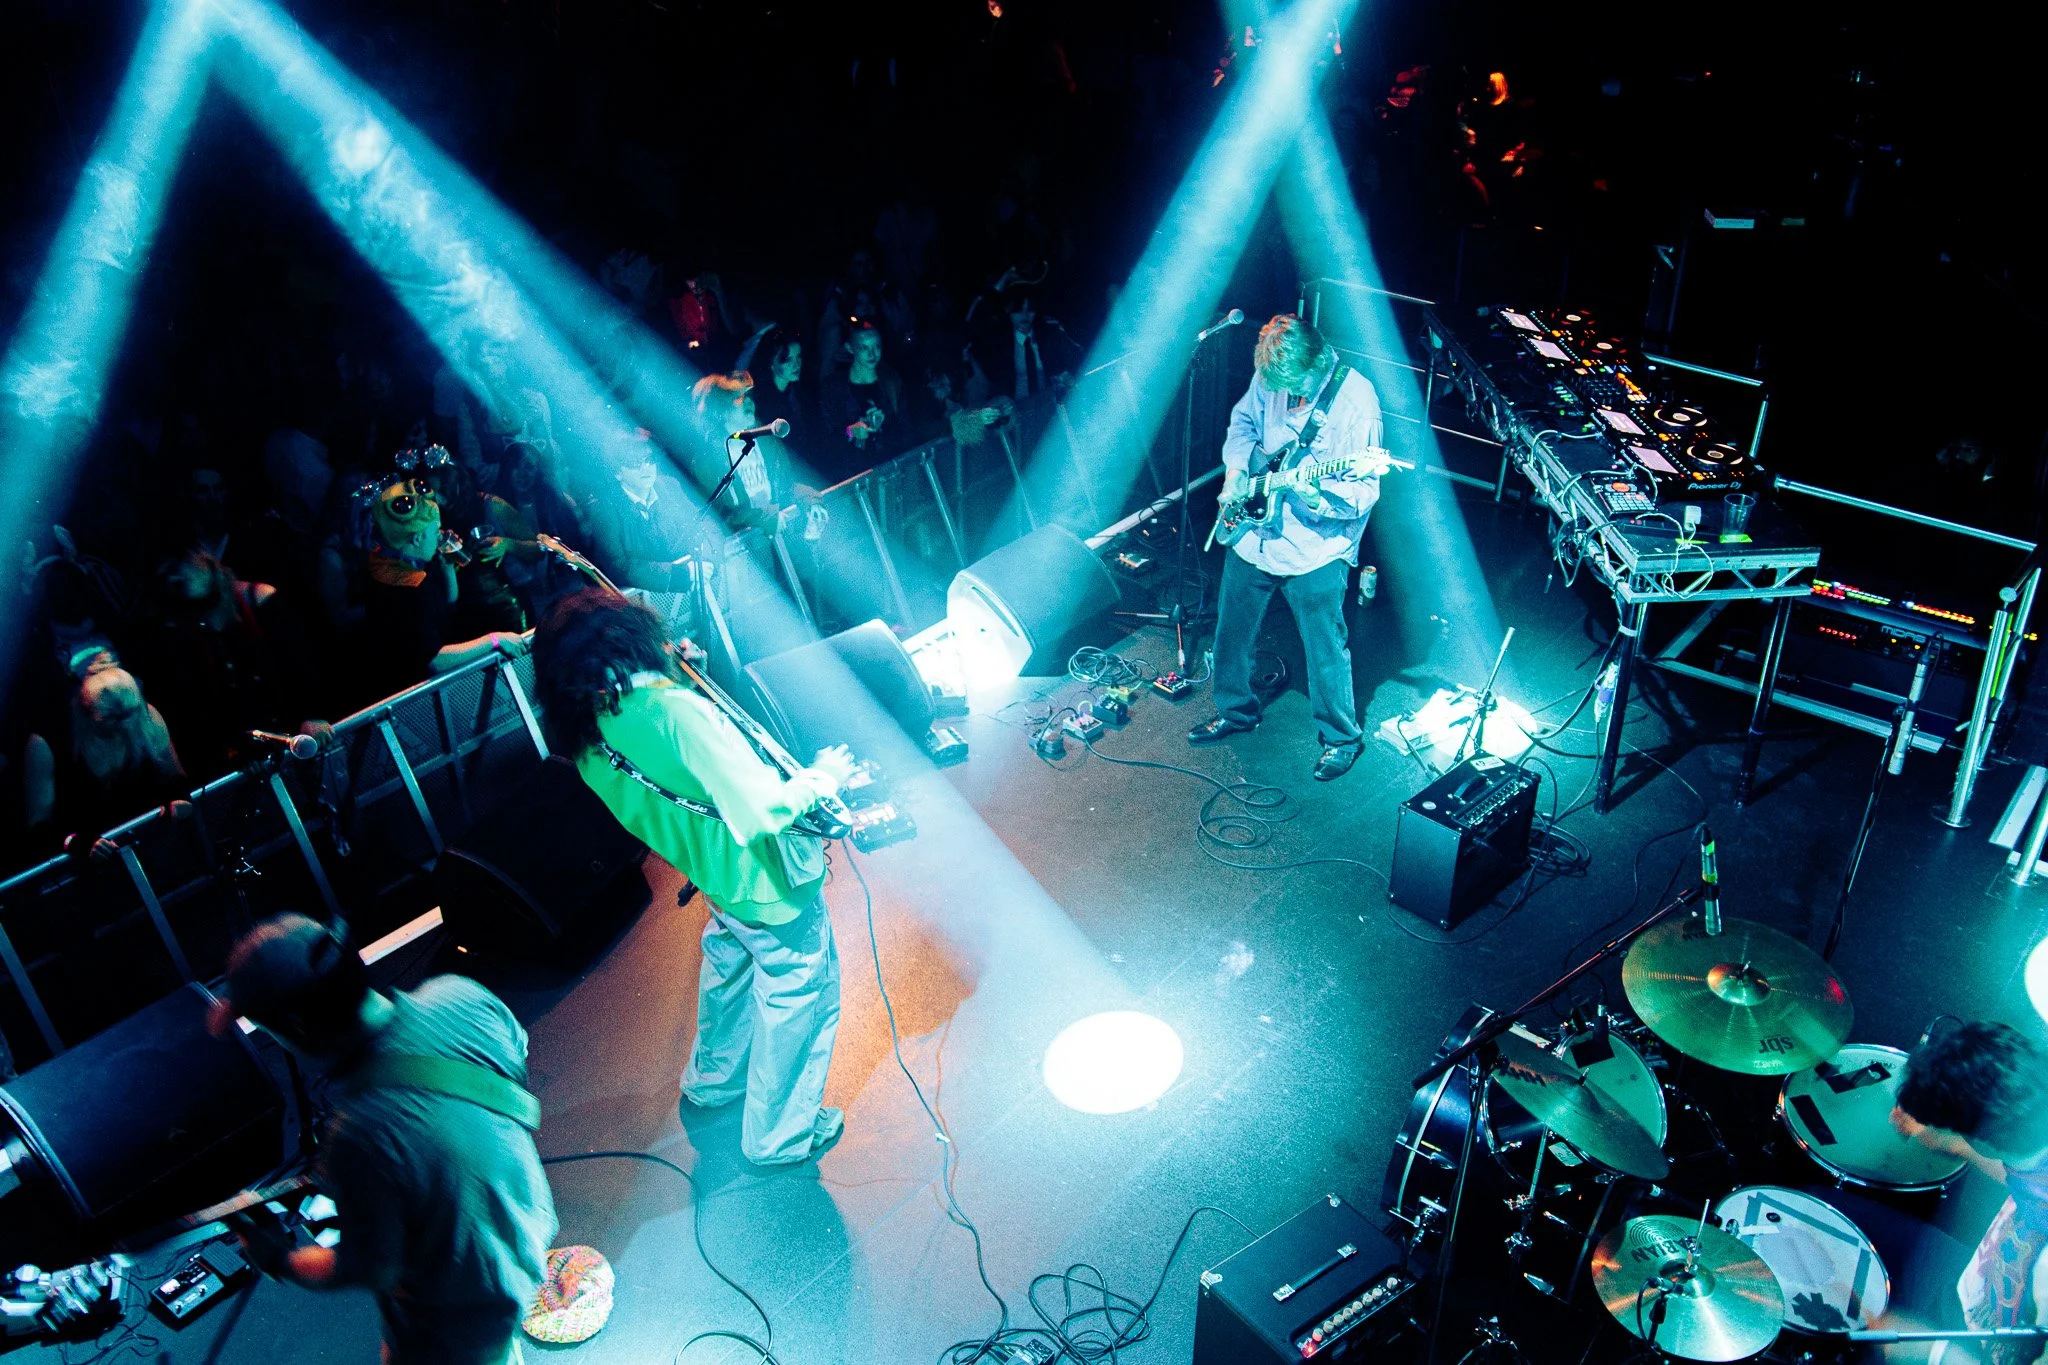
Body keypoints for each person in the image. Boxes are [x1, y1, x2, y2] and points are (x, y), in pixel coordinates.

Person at [531, 589, 856, 1166]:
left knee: (728, 970)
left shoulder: (587, 728)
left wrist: (683, 681)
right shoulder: (670, 710)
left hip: (713, 873)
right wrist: (820, 780)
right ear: (625, 638)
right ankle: (780, 1135)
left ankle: (713, 1082)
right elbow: (759, 813)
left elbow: (671, 773)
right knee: (799, 992)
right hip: (764, 879)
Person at [209, 914, 556, 1365]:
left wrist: (277, 1259)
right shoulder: (460, 994)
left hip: (455, 1330)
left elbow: (372, 1268)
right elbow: (515, 1059)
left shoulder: (358, 1137)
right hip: (524, 1236)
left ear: (295, 1027)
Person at [1188, 314, 1384, 781]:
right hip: (1256, 532)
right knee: (1232, 629)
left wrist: (1317, 494)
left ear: (1316, 361)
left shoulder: (1357, 401)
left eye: (1292, 384)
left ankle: (1341, 737)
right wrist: (1237, 472)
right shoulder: (1270, 374)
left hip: (1317, 544)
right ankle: (1236, 711)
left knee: (1324, 646)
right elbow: (1242, 426)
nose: (1282, 392)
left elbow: (1364, 493)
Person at [1896, 1021, 2048, 1362]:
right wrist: (1954, 1144)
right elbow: (2025, 1176)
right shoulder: (2038, 1148)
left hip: (1973, 1347)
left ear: (1983, 1138)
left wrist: (1925, 1348)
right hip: (1968, 1287)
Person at [20, 653, 187, 861]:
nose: (124, 727)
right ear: (87, 710)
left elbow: (175, 776)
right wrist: (75, 842)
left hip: (152, 846)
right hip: (89, 863)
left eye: (129, 716)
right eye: (111, 720)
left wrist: (179, 799)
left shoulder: (147, 717)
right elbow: (38, 824)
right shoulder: (47, 742)